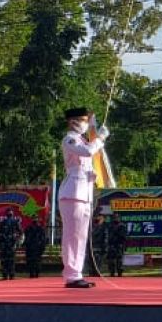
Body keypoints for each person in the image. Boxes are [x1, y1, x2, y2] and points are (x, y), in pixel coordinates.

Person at [59, 107, 109, 289]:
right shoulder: (70, 139)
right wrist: (100, 139)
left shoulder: (82, 140)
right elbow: (87, 152)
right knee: (72, 235)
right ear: (72, 121)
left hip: (84, 193)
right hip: (72, 193)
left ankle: (76, 273)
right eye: (83, 120)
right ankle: (71, 275)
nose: (85, 124)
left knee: (80, 236)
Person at [0, 209, 21, 281]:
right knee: (4, 260)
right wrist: (1, 239)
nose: (9, 214)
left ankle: (11, 275)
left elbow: (20, 232)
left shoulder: (15, 222)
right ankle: (5, 274)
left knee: (11, 260)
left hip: (12, 244)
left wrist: (16, 239)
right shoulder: (2, 222)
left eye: (10, 213)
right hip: (4, 244)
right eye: (9, 213)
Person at [105, 212, 127, 277]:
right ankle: (112, 272)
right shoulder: (110, 226)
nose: (116, 218)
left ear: (119, 218)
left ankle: (120, 272)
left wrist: (117, 235)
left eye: (117, 217)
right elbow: (107, 235)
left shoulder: (122, 226)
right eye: (114, 217)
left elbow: (124, 236)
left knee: (119, 260)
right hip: (111, 245)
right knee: (111, 260)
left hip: (119, 245)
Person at [87, 213, 108, 278]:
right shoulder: (91, 226)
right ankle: (91, 273)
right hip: (91, 246)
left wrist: (105, 247)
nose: (98, 218)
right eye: (97, 217)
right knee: (91, 262)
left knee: (98, 262)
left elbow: (105, 238)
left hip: (99, 247)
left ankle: (97, 273)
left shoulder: (104, 227)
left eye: (100, 218)